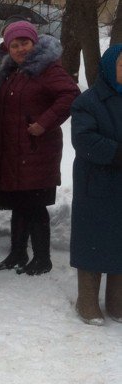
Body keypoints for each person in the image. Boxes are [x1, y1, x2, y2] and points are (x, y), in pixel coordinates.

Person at [0, 21, 79, 275]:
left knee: (35, 205)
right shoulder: (13, 72)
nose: (20, 49)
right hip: (15, 151)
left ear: (35, 43)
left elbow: (71, 95)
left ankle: (43, 258)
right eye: (14, 45)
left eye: (25, 43)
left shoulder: (47, 69)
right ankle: (18, 253)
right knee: (20, 203)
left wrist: (44, 122)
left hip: (37, 150)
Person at [70, 43, 122, 324]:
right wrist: (117, 153)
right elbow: (83, 140)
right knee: (93, 241)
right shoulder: (88, 101)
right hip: (97, 183)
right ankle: (87, 302)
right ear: (109, 68)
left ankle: (117, 303)